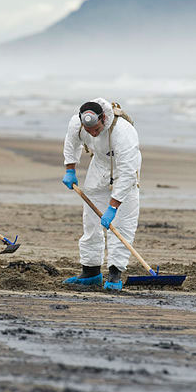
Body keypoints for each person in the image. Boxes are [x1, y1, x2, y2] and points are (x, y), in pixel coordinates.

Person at [61, 98, 141, 290]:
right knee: (90, 220)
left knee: (123, 223)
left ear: (103, 118)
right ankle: (90, 271)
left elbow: (128, 172)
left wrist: (113, 207)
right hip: (99, 166)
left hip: (125, 170)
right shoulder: (76, 123)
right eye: (89, 131)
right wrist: (70, 169)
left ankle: (115, 273)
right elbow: (71, 143)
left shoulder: (124, 132)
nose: (93, 134)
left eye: (96, 129)